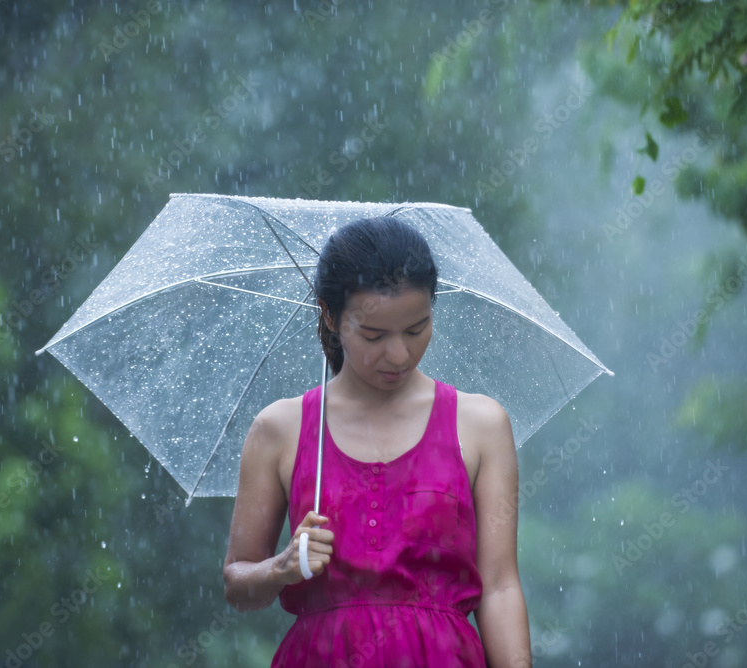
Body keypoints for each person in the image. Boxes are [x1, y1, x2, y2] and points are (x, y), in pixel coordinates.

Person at [223, 216, 531, 667]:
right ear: (329, 315)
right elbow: (238, 585)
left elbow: (500, 586)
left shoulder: (479, 424)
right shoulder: (279, 429)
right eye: (374, 335)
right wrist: (282, 567)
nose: (399, 354)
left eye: (416, 328)